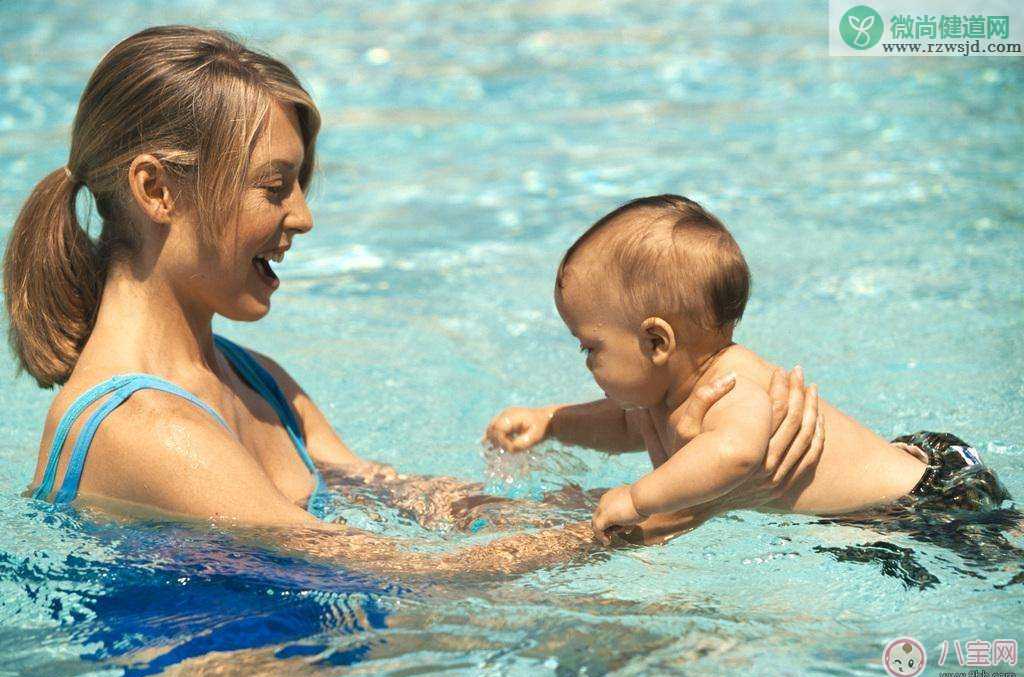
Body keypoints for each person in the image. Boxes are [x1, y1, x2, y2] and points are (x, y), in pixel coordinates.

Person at [2, 27, 821, 575]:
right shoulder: (145, 428)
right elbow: (377, 565)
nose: (303, 217)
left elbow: (418, 504)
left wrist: (690, 448)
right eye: (275, 186)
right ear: (156, 190)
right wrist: (647, 518)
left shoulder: (257, 381)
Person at [485, 195, 1010, 544]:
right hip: (892, 491)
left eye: (589, 348)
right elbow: (620, 424)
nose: (587, 363)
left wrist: (638, 497)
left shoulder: (729, 385)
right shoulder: (662, 394)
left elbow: (734, 453)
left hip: (927, 500)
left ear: (656, 340)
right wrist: (552, 421)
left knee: (1006, 555)